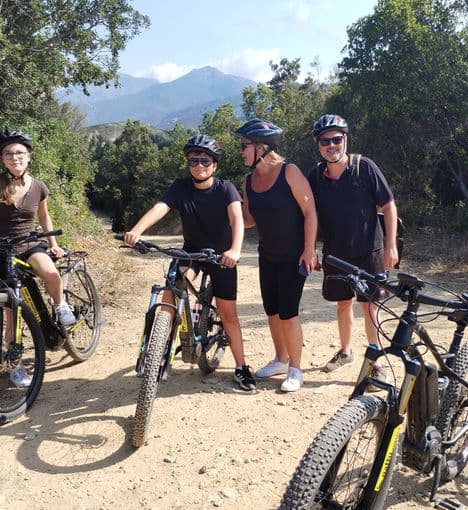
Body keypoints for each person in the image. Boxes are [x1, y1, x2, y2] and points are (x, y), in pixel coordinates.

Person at [123, 134, 257, 392]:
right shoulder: (181, 187)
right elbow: (161, 207)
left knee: (229, 315)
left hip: (221, 257)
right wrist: (137, 231)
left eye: (205, 160)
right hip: (191, 253)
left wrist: (235, 250)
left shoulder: (225, 188)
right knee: (172, 291)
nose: (199, 165)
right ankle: (159, 348)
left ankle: (241, 367)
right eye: (193, 160)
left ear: (214, 164)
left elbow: (237, 219)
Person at [0, 129, 77, 387]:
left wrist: (53, 245)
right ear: (2, 158)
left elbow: (45, 218)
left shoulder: (39, 187)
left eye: (20, 153)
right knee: (12, 310)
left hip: (30, 243)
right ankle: (16, 364)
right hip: (1, 249)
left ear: (29, 156)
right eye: (8, 153)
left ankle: (60, 305)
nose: (15, 157)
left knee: (50, 272)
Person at [307, 114, 399, 379]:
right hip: (336, 254)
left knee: (369, 306)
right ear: (318, 144)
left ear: (345, 139)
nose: (331, 145)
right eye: (325, 141)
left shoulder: (364, 167)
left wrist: (391, 245)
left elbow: (389, 205)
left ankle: (376, 360)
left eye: (337, 139)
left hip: (369, 250)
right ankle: (346, 351)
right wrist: (310, 248)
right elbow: (308, 214)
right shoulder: (315, 176)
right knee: (343, 304)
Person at [236, 118, 318, 392]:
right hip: (266, 255)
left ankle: (296, 368)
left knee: (288, 313)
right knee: (271, 311)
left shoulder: (289, 172)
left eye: (244, 145)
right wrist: (225, 207)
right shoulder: (249, 181)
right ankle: (281, 359)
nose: (241, 151)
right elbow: (247, 221)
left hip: (293, 257)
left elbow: (310, 212)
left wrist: (309, 249)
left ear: (261, 147)